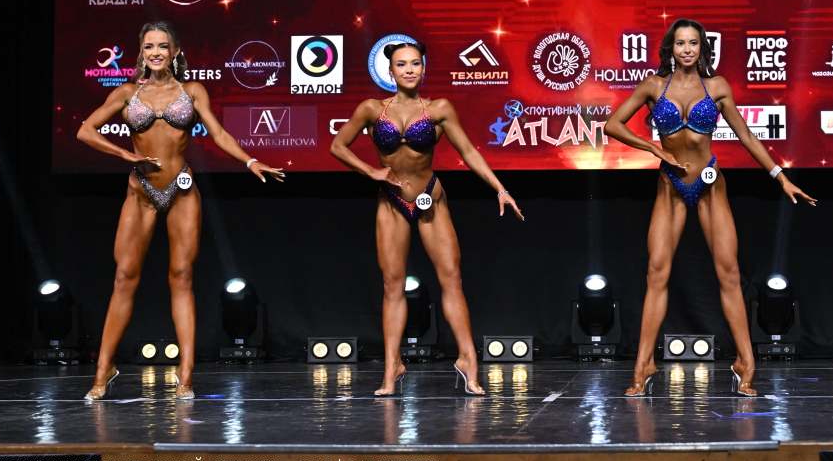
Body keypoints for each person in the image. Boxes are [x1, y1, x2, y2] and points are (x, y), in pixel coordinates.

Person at [604, 19, 815, 397]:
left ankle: (745, 362)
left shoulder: (716, 87)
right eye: (680, 43)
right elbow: (612, 125)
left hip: (709, 187)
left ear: (702, 48)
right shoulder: (653, 86)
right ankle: (643, 364)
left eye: (693, 43)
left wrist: (780, 177)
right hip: (670, 188)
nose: (687, 50)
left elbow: (746, 135)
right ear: (671, 48)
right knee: (656, 273)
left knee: (730, 274)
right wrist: (653, 148)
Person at [77, 21, 284, 400]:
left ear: (175, 51)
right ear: (141, 52)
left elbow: (219, 133)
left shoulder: (192, 91)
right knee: (124, 277)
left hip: (181, 191)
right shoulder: (126, 93)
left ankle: (185, 375)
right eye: (149, 46)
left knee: (183, 276)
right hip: (140, 191)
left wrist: (250, 161)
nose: (155, 52)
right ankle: (103, 370)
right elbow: (85, 131)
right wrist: (125, 154)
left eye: (163, 46)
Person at [330, 40, 522, 396]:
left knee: (452, 279)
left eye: (415, 63)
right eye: (402, 64)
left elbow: (468, 151)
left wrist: (499, 188)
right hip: (391, 201)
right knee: (392, 285)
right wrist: (371, 171)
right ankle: (392, 368)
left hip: (430, 197)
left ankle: (468, 360)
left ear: (423, 69)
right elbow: (337, 145)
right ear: (390, 71)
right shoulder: (371, 109)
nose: (409, 70)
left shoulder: (438, 108)